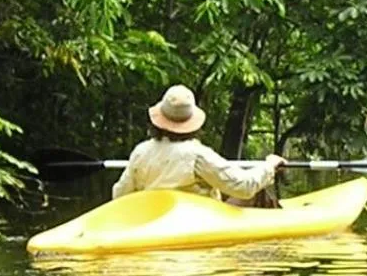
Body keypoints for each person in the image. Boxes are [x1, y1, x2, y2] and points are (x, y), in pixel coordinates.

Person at [111, 85, 285, 204]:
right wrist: (269, 166)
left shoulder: (141, 151)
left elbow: (119, 194)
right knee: (258, 192)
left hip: (155, 219)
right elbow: (244, 186)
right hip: (198, 222)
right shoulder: (197, 155)